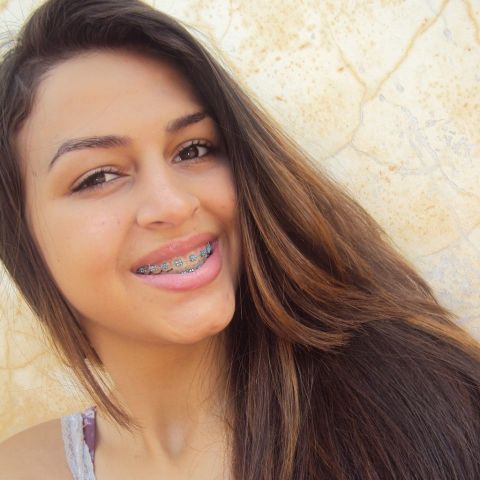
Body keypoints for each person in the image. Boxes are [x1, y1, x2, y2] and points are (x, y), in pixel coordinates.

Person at [0, 0, 479, 479]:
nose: (173, 204)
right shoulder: (22, 468)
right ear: (23, 237)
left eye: (193, 150)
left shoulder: (416, 408)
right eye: (99, 176)